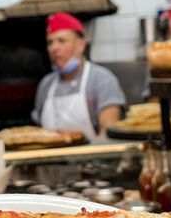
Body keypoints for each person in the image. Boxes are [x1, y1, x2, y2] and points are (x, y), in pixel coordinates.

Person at [32, 12, 126, 140]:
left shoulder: (102, 79)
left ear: (80, 45)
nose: (54, 48)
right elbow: (40, 133)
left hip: (96, 158)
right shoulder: (46, 85)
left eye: (61, 41)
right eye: (50, 42)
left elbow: (109, 132)